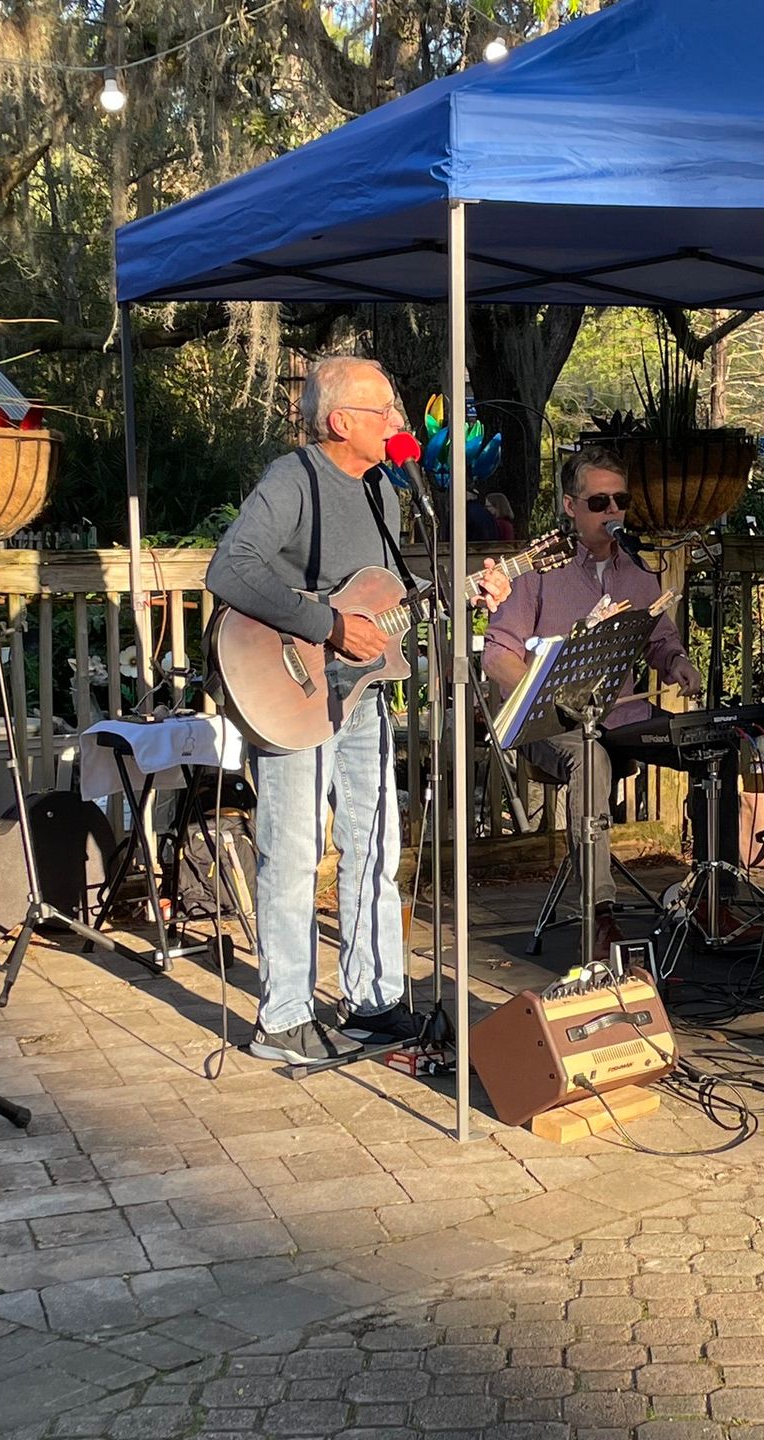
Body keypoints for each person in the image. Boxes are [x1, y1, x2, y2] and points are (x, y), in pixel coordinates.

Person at [207, 356, 510, 1067]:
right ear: (341, 421)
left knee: (375, 848)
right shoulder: (294, 479)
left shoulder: (387, 491)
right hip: (290, 692)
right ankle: (281, 1018)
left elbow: (384, 598)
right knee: (293, 854)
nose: (401, 425)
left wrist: (461, 591)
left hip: (364, 695)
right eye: (386, 413)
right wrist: (327, 626)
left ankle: (373, 1000)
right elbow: (230, 567)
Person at [483, 445, 705, 960]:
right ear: (569, 506)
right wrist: (546, 695)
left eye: (620, 501)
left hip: (621, 713)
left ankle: (714, 895)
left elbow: (660, 640)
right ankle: (600, 913)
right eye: (599, 502)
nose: (612, 512)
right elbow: (497, 655)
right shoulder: (540, 568)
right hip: (552, 724)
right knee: (590, 757)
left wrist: (678, 664)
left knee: (710, 741)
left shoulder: (637, 569)